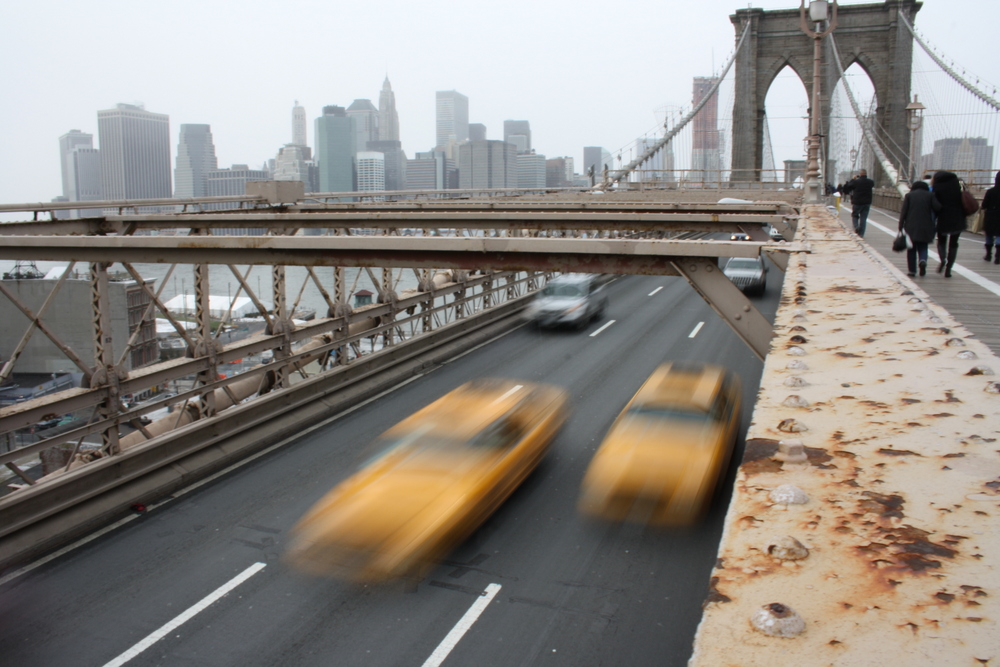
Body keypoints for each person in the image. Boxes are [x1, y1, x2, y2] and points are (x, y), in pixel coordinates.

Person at [897, 180, 940, 277]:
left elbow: (904, 212)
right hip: (926, 225)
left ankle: (912, 271)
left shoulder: (909, 196)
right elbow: (938, 208)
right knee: (923, 246)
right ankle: (922, 260)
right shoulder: (930, 195)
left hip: (911, 225)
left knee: (911, 248)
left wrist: (900, 226)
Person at [931, 170, 966, 277]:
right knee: (954, 243)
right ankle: (949, 269)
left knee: (941, 241)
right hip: (958, 217)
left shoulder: (937, 187)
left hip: (943, 217)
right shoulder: (957, 185)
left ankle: (943, 260)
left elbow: (935, 204)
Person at [843, 169, 875, 236]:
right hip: (867, 202)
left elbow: (848, 186)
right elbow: (872, 185)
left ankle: (856, 227)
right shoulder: (870, 182)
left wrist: (853, 179)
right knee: (863, 218)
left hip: (857, 202)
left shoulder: (856, 182)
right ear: (866, 174)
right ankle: (861, 234)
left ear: (860, 174)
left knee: (855, 215)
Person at [980, 171, 1000, 264]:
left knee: (989, 235)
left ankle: (988, 255)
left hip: (991, 216)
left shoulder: (990, 191)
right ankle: (998, 257)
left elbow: (984, 205)